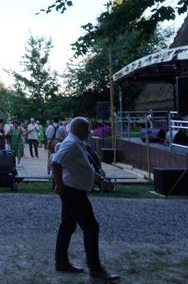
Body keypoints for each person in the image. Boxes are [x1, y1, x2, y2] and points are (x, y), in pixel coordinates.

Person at [52, 117, 119, 282]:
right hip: (73, 191)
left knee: (67, 226)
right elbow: (55, 162)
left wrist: (102, 181)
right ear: (80, 130)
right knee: (91, 227)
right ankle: (95, 268)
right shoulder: (71, 144)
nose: (89, 132)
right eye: (87, 129)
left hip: (72, 190)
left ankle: (61, 262)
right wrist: (59, 185)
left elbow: (85, 168)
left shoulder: (76, 143)